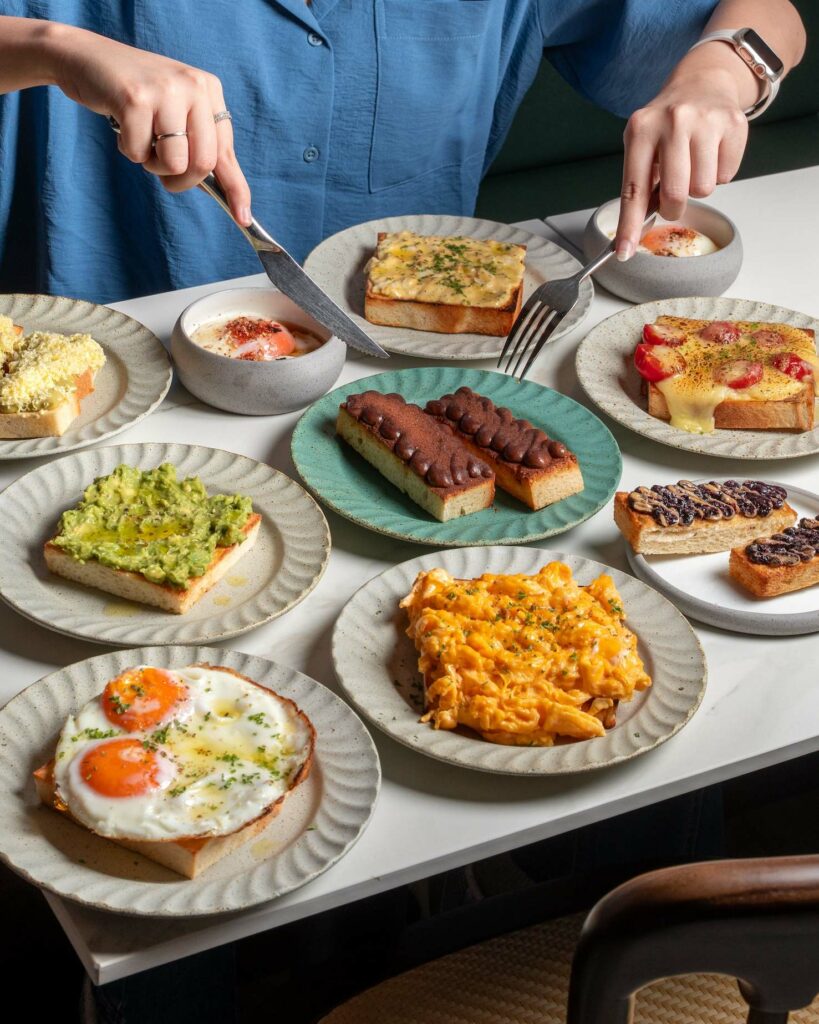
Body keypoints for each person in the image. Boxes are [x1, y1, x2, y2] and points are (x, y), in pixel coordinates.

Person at [0, 1, 806, 304]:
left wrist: (715, 75)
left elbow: (769, 17)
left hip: (423, 366)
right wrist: (52, 46)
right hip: (109, 375)